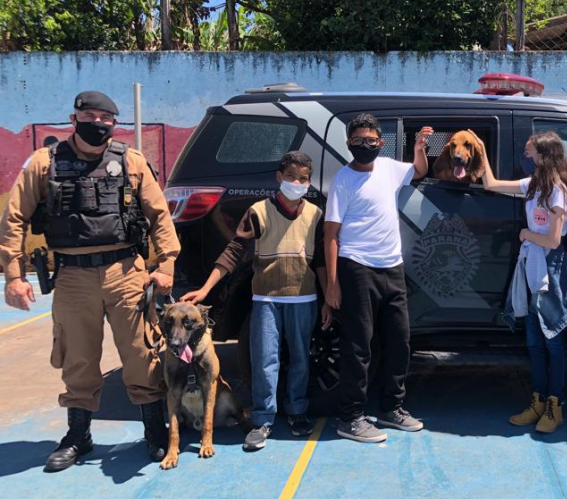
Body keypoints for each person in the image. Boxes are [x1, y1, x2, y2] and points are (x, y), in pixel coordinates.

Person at [0, 91, 180, 471]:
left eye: (106, 118)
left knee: (141, 353)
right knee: (78, 359)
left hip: (125, 273)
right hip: (72, 276)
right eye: (91, 115)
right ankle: (78, 436)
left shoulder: (130, 162)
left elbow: (159, 214)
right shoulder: (44, 163)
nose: (98, 123)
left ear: (115, 124)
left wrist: (166, 265)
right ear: (74, 118)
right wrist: (13, 275)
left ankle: (154, 431)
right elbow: (14, 218)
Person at [181, 151, 327, 451]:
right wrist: (206, 288)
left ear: (309, 182)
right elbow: (235, 251)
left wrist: (329, 296)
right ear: (279, 177)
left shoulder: (315, 214)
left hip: (305, 298)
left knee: (301, 358)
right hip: (266, 299)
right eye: (290, 177)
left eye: (302, 179)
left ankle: (297, 411)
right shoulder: (259, 211)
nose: (296, 183)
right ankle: (262, 419)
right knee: (265, 360)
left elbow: (322, 260)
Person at [324, 113, 433, 443]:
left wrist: (419, 148)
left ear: (380, 143)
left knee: (399, 341)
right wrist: (332, 283)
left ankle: (391, 408)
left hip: (392, 267)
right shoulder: (343, 180)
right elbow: (331, 234)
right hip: (357, 268)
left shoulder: (388, 167)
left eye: (371, 141)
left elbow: (419, 170)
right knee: (358, 347)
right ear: (349, 144)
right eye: (358, 141)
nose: (365, 146)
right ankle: (351, 417)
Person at [478, 131, 567, 434]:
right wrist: (482, 151)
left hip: (549, 266)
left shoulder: (557, 191)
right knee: (534, 341)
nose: (526, 157)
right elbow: (492, 184)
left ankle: (554, 404)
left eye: (530, 152)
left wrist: (526, 235)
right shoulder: (533, 185)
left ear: (544, 155)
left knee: (553, 340)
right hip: (532, 264)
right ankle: (537, 400)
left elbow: (554, 238)